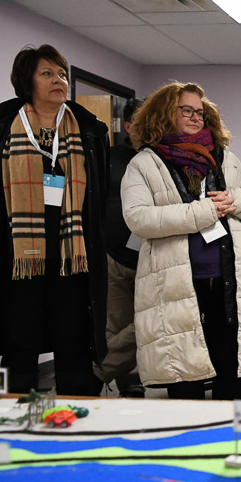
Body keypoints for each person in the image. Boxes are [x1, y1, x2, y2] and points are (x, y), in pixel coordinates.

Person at [0, 45, 109, 396]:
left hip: (72, 256)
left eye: (62, 74)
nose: (59, 80)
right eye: (47, 74)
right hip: (18, 257)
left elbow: (100, 193)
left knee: (73, 340)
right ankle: (14, 417)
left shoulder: (89, 129)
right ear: (26, 81)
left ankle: (77, 418)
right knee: (19, 341)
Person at [121, 82, 241, 400]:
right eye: (185, 110)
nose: (195, 117)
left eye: (199, 112)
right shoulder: (145, 164)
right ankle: (197, 447)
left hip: (230, 282)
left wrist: (235, 200)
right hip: (178, 288)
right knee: (186, 376)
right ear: (163, 114)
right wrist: (202, 212)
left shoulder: (224, 157)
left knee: (239, 373)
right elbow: (138, 218)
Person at [93, 97, 145, 397]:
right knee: (117, 323)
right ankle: (129, 382)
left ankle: (98, 371)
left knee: (145, 324)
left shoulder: (160, 160)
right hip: (112, 254)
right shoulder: (107, 157)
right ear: (127, 126)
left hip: (149, 256)